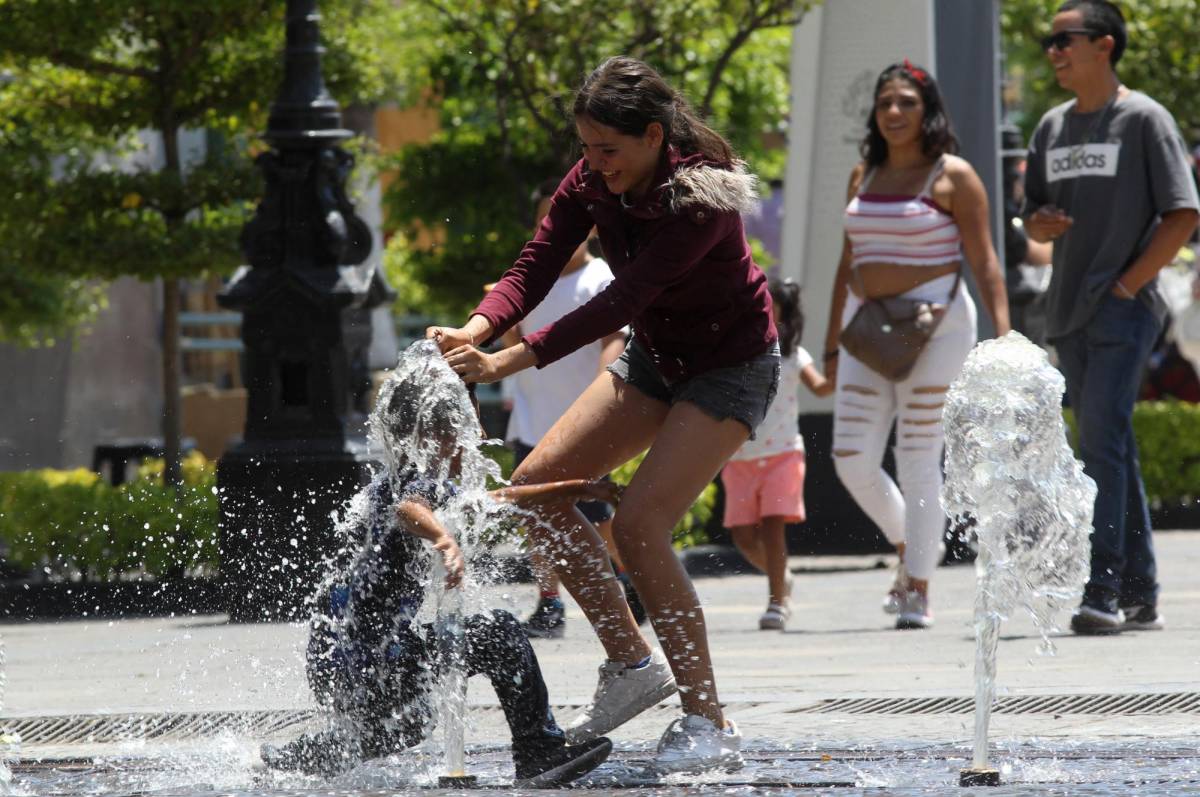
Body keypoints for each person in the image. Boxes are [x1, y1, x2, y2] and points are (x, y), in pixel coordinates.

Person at [427, 55, 778, 773]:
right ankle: (629, 662)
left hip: (731, 366)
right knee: (533, 491)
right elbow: (534, 264)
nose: (594, 165)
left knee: (642, 520)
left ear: (653, 136)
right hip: (657, 359)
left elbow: (619, 303)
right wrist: (475, 329)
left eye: (608, 150)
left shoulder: (701, 194)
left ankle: (707, 717)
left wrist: (506, 362)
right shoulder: (593, 178)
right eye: (586, 148)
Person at [260, 346, 615, 786]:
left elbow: (491, 502)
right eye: (470, 423)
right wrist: (443, 538)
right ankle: (539, 751)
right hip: (374, 664)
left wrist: (575, 488)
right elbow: (410, 510)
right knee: (498, 632)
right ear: (441, 436)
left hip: (348, 667)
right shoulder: (421, 479)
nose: (479, 433)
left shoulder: (391, 477)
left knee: (413, 719)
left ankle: (340, 745)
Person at [1021, 1, 1199, 635]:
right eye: (1050, 41)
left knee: (1100, 444)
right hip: (1067, 312)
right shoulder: (1051, 126)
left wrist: (1128, 285)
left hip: (1123, 312)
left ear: (1104, 45)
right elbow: (1033, 213)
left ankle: (1102, 589)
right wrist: (1035, 222)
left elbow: (1183, 213)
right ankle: (1142, 591)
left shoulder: (1144, 119)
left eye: (1063, 39)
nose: (1053, 50)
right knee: (1111, 444)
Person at [822, 60, 1010, 630]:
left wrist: (1005, 341)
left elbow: (985, 263)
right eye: (885, 104)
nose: (895, 113)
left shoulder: (954, 176)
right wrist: (830, 347)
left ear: (928, 111)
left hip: (938, 330)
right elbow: (844, 264)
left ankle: (919, 587)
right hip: (865, 330)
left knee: (917, 457)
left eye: (907, 102)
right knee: (850, 458)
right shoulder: (864, 174)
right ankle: (913, 550)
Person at [497, 178, 644, 639]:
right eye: (548, 219)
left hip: (578, 421)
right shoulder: (528, 281)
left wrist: (597, 399)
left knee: (595, 518)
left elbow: (614, 341)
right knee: (533, 511)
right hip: (532, 414)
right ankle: (549, 601)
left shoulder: (599, 278)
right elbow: (515, 346)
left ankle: (624, 579)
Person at [721, 277, 831, 631]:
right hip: (738, 457)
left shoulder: (795, 357)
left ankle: (777, 603)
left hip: (784, 454)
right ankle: (781, 576)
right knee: (742, 537)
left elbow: (822, 387)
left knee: (772, 528)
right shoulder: (737, 350)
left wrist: (845, 360)